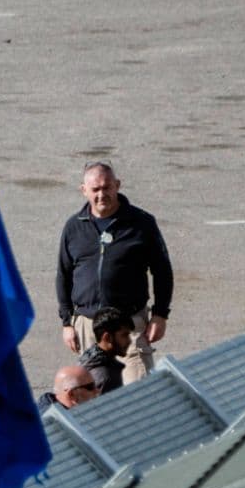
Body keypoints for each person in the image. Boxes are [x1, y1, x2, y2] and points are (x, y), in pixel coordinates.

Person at [56, 161, 172, 385]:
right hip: (89, 327)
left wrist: (160, 314)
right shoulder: (74, 227)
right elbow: (64, 274)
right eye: (95, 189)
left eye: (107, 187)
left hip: (129, 326)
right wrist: (67, 322)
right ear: (84, 191)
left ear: (117, 185)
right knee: (91, 397)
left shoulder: (142, 224)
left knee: (139, 391)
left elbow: (162, 271)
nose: (102, 194)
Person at [78, 306, 132, 396]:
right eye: (124, 335)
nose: (129, 340)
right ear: (107, 337)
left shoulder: (89, 358)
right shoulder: (106, 378)